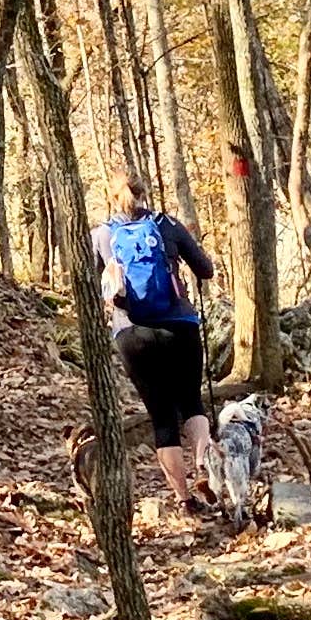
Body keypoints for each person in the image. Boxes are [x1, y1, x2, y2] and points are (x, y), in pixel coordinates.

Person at [100, 180, 221, 515]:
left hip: (131, 333)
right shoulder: (166, 224)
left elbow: (95, 283)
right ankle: (203, 466)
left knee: (162, 418)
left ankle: (184, 501)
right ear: (144, 196)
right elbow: (206, 270)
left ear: (113, 199)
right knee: (192, 403)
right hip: (179, 325)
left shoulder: (103, 235)